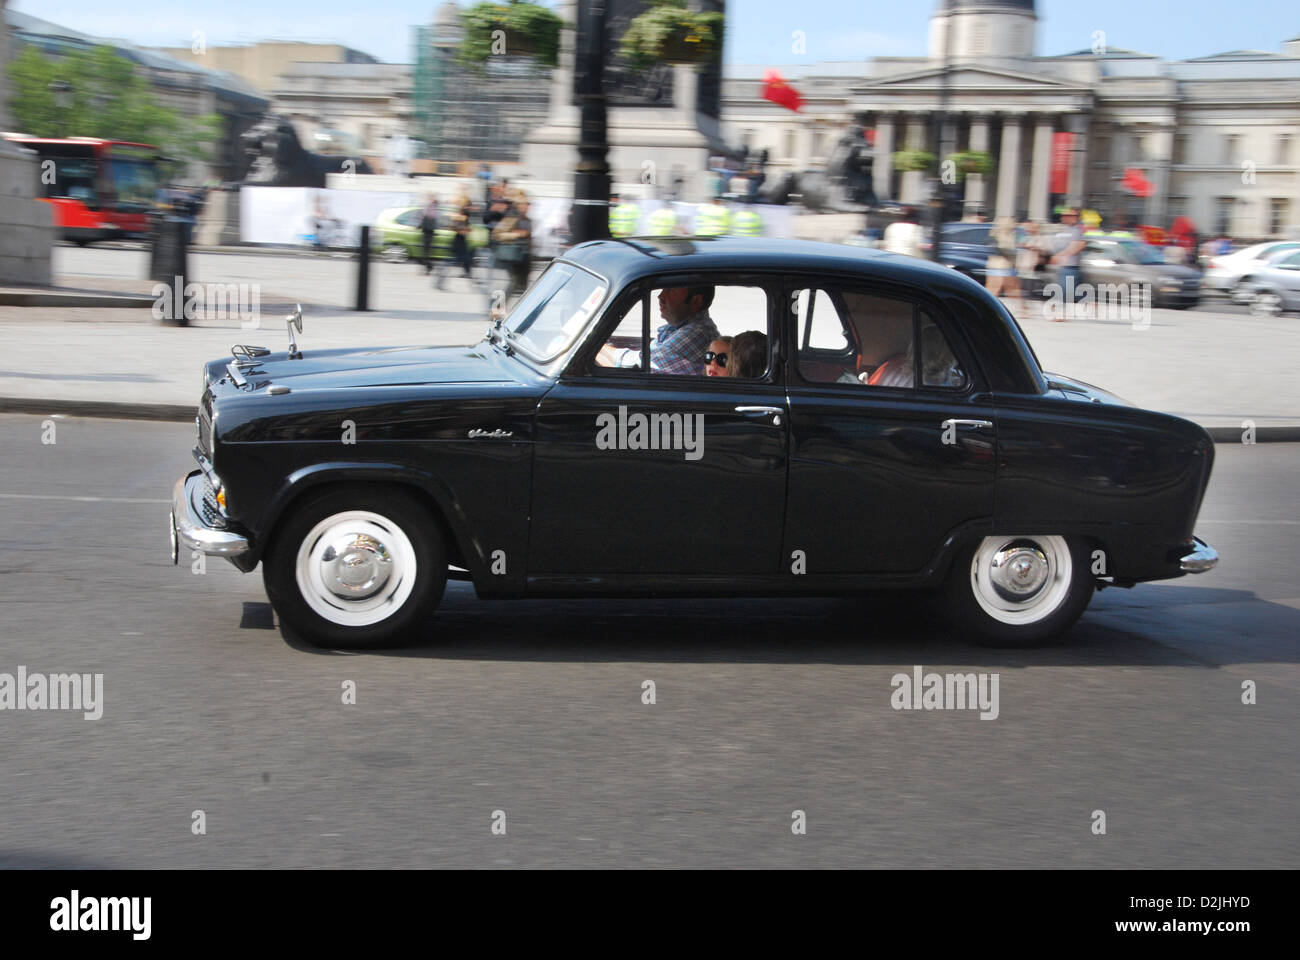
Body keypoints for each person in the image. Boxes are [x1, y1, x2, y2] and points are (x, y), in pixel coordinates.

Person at [597, 286, 720, 375]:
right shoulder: (679, 327)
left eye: (671, 290)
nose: (661, 296)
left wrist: (591, 343)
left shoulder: (695, 335)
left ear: (696, 301)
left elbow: (629, 366)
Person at [494, 195, 533, 301]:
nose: (527, 207)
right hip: (514, 256)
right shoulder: (511, 218)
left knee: (524, 287)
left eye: (528, 205)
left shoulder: (528, 220)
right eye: (525, 204)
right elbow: (497, 234)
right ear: (518, 206)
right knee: (514, 282)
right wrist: (516, 234)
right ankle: (497, 307)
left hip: (525, 257)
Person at [1050, 207, 1086, 317]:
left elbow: (1079, 245)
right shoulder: (1065, 230)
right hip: (1064, 267)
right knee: (1069, 291)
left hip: (1071, 267)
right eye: (1066, 216)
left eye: (1073, 216)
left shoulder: (1077, 230)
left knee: (1064, 291)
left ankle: (1059, 312)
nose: (1068, 218)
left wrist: (1061, 256)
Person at [985, 216, 1019, 308]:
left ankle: (986, 305)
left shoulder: (995, 233)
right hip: (1003, 266)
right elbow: (1006, 250)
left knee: (994, 289)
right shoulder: (1005, 236)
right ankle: (1023, 309)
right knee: (1010, 289)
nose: (1014, 225)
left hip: (994, 265)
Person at [419, 195, 440, 274]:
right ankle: (428, 266)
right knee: (425, 250)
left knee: (426, 251)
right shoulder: (432, 207)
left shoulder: (431, 207)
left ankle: (429, 266)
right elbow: (426, 218)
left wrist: (420, 225)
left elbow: (428, 218)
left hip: (428, 231)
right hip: (428, 231)